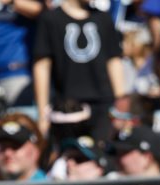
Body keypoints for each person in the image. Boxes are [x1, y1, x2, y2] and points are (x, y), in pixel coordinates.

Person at [32, 0, 125, 144]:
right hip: (67, 107)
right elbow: (42, 67)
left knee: (101, 154)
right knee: (71, 155)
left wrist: (120, 106)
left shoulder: (104, 18)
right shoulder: (50, 19)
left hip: (102, 105)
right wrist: (42, 115)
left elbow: (114, 61)